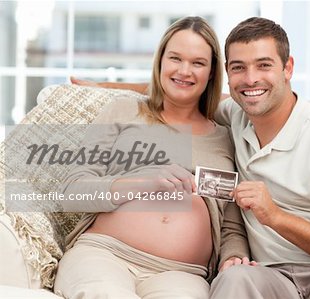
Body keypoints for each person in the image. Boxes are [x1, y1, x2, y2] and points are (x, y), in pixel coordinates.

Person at [72, 17, 310, 298]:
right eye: (239, 68)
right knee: (234, 281)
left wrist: (272, 219)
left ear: (288, 68)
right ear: (227, 74)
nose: (251, 79)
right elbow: (180, 87)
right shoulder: (235, 118)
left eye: (264, 65)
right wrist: (103, 87)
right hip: (259, 273)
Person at [54, 16, 252, 299]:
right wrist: (144, 181)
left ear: (211, 73)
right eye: (175, 58)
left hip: (181, 273)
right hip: (106, 253)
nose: (184, 71)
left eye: (197, 63)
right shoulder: (123, 111)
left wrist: (233, 257)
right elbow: (71, 191)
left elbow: (232, 226)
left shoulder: (227, 136)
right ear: (160, 61)